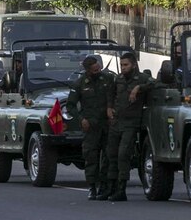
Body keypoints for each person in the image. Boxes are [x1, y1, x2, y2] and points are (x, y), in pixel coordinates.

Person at [106, 52, 154, 202]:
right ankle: (111, 187)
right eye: (121, 65)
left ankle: (121, 188)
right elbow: (111, 94)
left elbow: (156, 84)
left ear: (133, 64)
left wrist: (138, 88)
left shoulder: (142, 78)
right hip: (116, 122)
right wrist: (109, 107)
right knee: (111, 154)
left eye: (126, 65)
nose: (123, 68)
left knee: (123, 154)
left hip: (131, 123)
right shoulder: (118, 79)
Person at [65, 56, 114, 201]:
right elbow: (70, 106)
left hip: (107, 124)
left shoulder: (108, 79)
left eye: (98, 68)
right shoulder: (79, 84)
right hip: (90, 125)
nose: (97, 71)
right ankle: (92, 186)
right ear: (87, 70)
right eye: (94, 70)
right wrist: (81, 119)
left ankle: (104, 186)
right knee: (91, 156)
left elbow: (114, 96)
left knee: (108, 156)